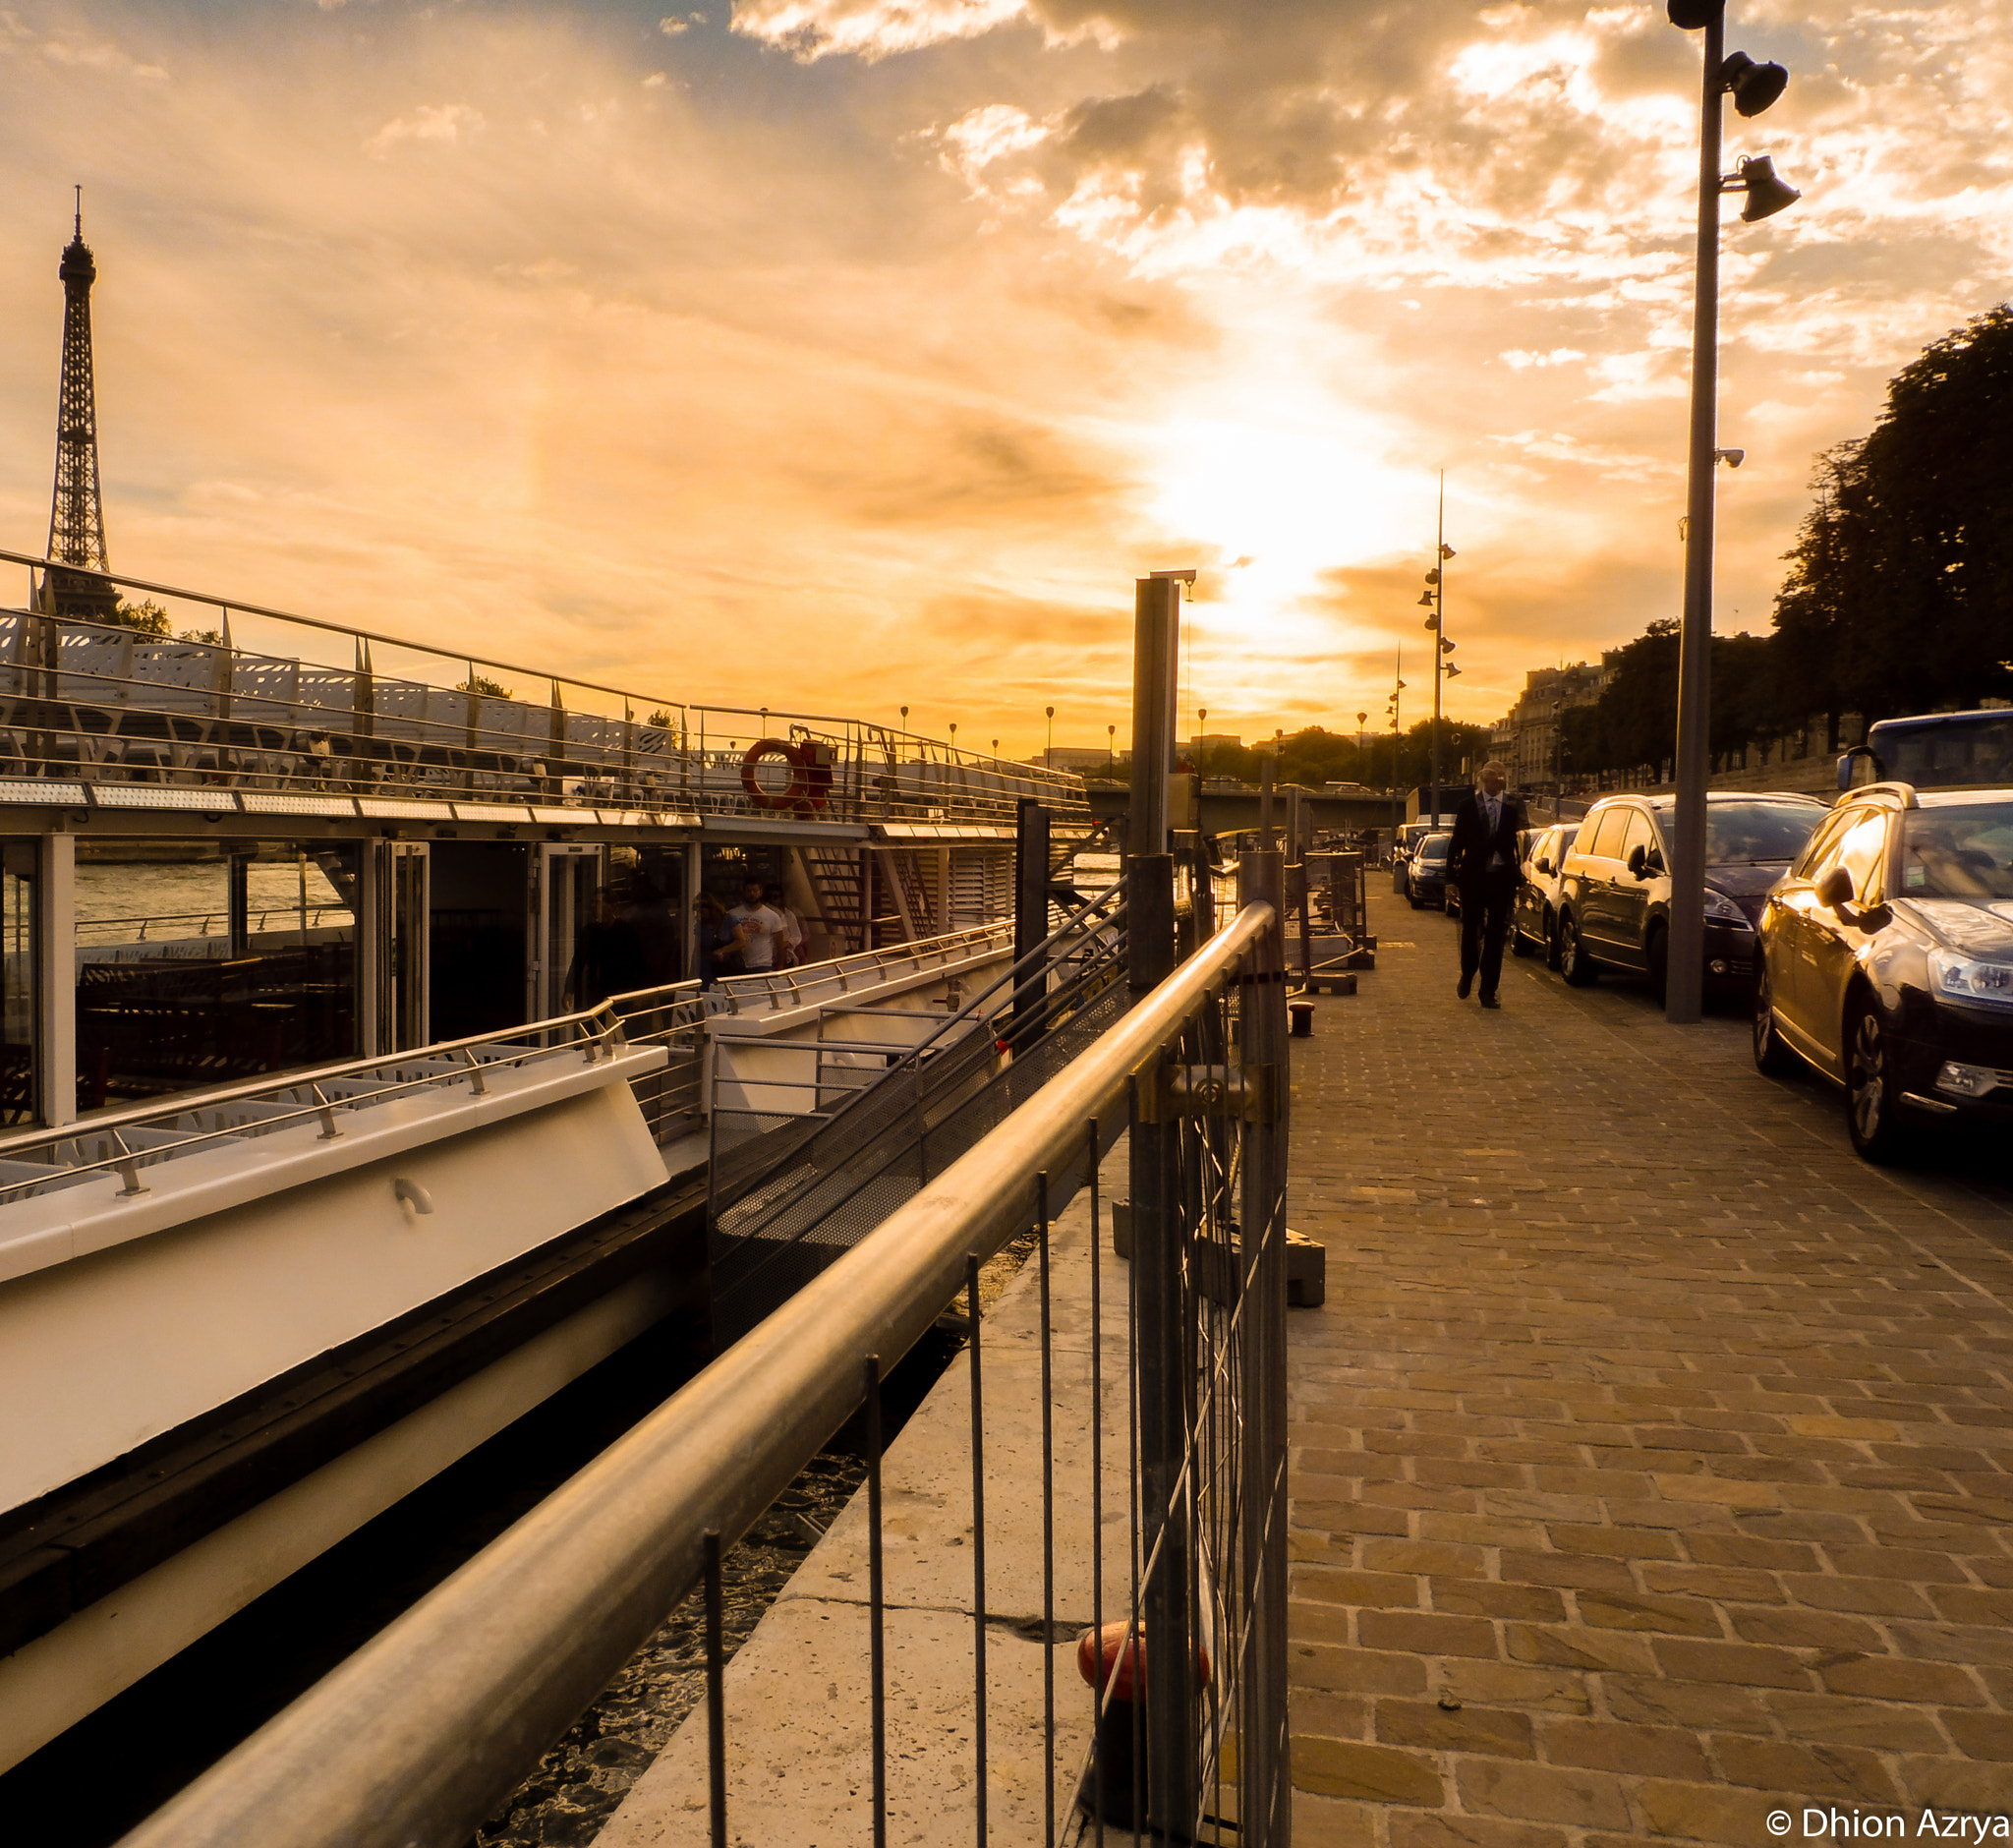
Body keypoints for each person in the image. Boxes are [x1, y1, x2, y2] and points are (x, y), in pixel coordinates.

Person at [1447, 760, 1526, 1010]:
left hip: (1501, 879)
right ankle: (1468, 973)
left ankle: (1488, 990)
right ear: (1483, 779)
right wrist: (1450, 878)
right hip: (1474, 879)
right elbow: (1456, 842)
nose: (1498, 780)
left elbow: (1521, 841)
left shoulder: (1514, 805)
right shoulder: (1468, 806)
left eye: (1502, 776)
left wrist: (1521, 876)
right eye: (1493, 776)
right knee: (1471, 931)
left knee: (1496, 936)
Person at [726, 878, 785, 973]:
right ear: (744, 892)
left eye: (755, 890)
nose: (752, 894)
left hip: (763, 965)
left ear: (761, 892)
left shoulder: (772, 916)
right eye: (749, 891)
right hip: (739, 965)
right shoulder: (733, 914)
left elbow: (780, 945)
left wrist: (780, 969)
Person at [697, 893, 740, 989]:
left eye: (703, 912)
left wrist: (722, 950)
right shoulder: (699, 924)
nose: (701, 915)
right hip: (704, 966)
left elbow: (741, 941)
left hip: (723, 966)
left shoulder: (728, 919)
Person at [764, 882, 806, 968]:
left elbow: (797, 936)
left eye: (775, 897)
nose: (772, 900)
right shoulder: (763, 914)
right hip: (766, 956)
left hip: (785, 955)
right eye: (769, 897)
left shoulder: (789, 915)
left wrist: (787, 943)